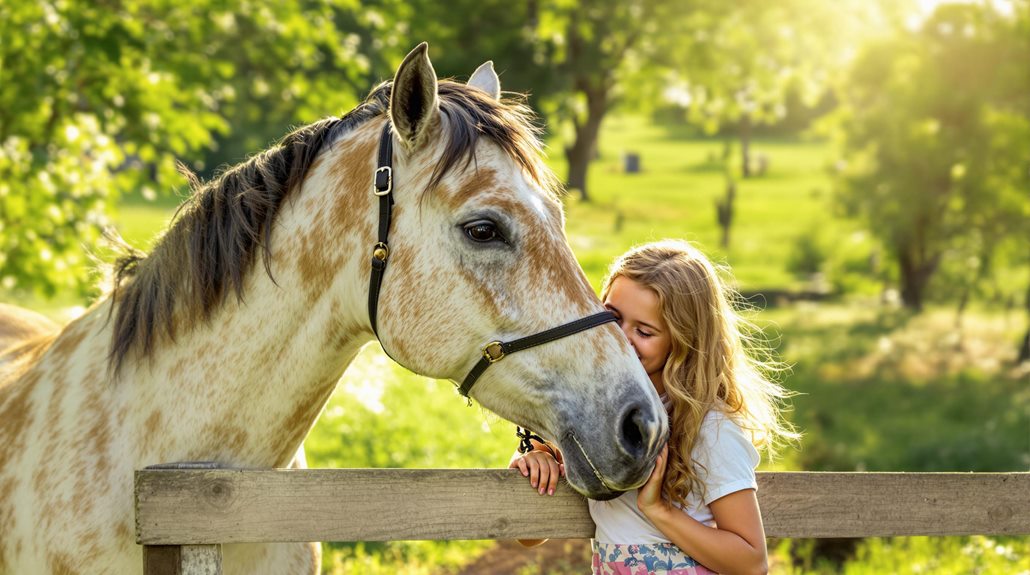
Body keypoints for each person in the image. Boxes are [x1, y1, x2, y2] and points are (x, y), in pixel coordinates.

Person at [509, 240, 797, 575]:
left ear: (684, 341)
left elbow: (751, 562)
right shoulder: (595, 413)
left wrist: (659, 510)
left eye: (644, 331)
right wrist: (535, 459)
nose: (622, 338)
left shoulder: (709, 427)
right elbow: (528, 538)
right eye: (613, 318)